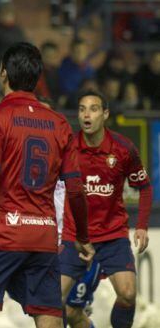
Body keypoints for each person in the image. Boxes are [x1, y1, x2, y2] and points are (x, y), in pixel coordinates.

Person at [0, 42, 95, 328]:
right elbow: (75, 188)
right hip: (44, 239)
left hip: (2, 236)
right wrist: (83, 237)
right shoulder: (60, 124)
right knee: (49, 319)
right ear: (37, 79)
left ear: (3, 73)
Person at [60, 91, 152, 328]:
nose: (86, 114)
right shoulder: (68, 148)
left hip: (112, 237)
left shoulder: (123, 149)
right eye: (81, 109)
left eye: (93, 109)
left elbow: (144, 187)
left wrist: (141, 226)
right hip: (76, 238)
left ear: (105, 114)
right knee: (53, 302)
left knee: (128, 293)